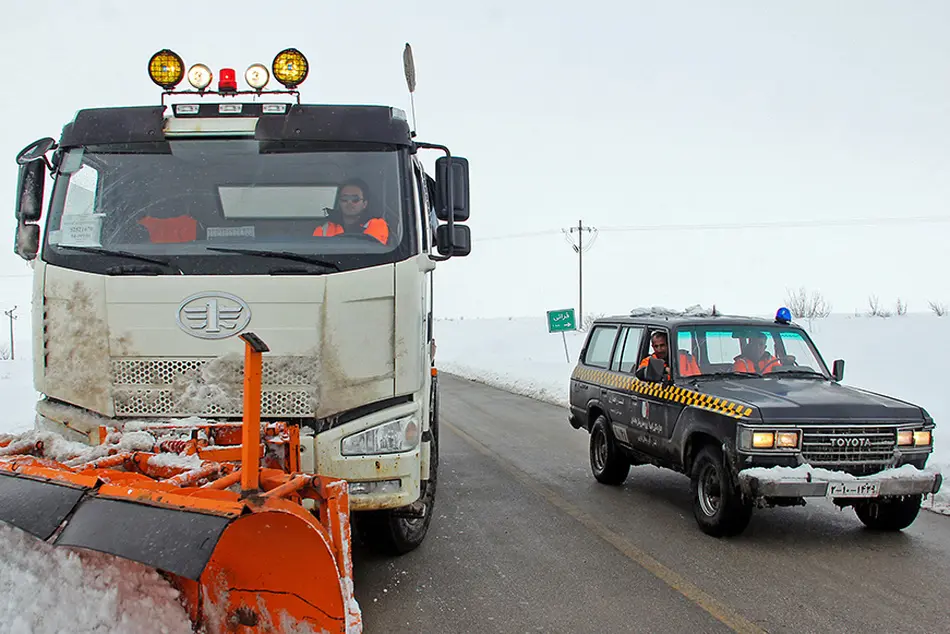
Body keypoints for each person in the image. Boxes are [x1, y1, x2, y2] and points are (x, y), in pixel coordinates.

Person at [313, 179, 389, 245]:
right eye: (344, 199)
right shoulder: (325, 229)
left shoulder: (377, 225)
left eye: (355, 199)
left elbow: (373, 253)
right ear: (339, 203)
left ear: (364, 204)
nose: (349, 203)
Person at [636, 331, 700, 380]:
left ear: (668, 345)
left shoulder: (687, 358)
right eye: (656, 346)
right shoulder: (649, 360)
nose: (659, 350)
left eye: (662, 345)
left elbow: (699, 377)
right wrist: (664, 369)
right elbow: (640, 373)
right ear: (652, 347)